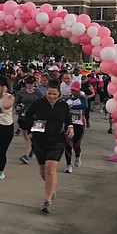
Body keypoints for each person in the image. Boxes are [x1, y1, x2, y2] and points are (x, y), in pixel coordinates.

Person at [25, 80, 74, 213]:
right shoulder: (38, 103)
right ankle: (51, 189)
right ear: (45, 93)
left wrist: (70, 127)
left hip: (57, 140)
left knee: (51, 168)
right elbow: (28, 116)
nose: (51, 96)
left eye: (54, 94)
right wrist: (29, 131)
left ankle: (47, 201)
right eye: (49, 94)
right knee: (43, 170)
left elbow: (67, 118)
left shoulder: (63, 105)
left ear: (59, 94)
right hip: (39, 140)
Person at [15, 76, 43, 164]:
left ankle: (30, 151)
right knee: (27, 137)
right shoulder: (21, 92)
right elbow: (16, 102)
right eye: (28, 83)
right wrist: (17, 107)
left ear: (34, 83)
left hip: (37, 117)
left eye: (31, 83)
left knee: (37, 137)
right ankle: (26, 155)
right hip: (24, 117)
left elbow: (43, 102)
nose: (29, 85)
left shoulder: (38, 93)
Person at [64, 81, 88, 173]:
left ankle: (77, 155)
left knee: (76, 144)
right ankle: (68, 165)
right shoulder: (68, 99)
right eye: (72, 90)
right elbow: (64, 107)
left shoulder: (83, 99)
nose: (74, 92)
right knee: (68, 144)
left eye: (76, 90)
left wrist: (72, 106)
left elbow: (84, 106)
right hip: (69, 125)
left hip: (79, 124)